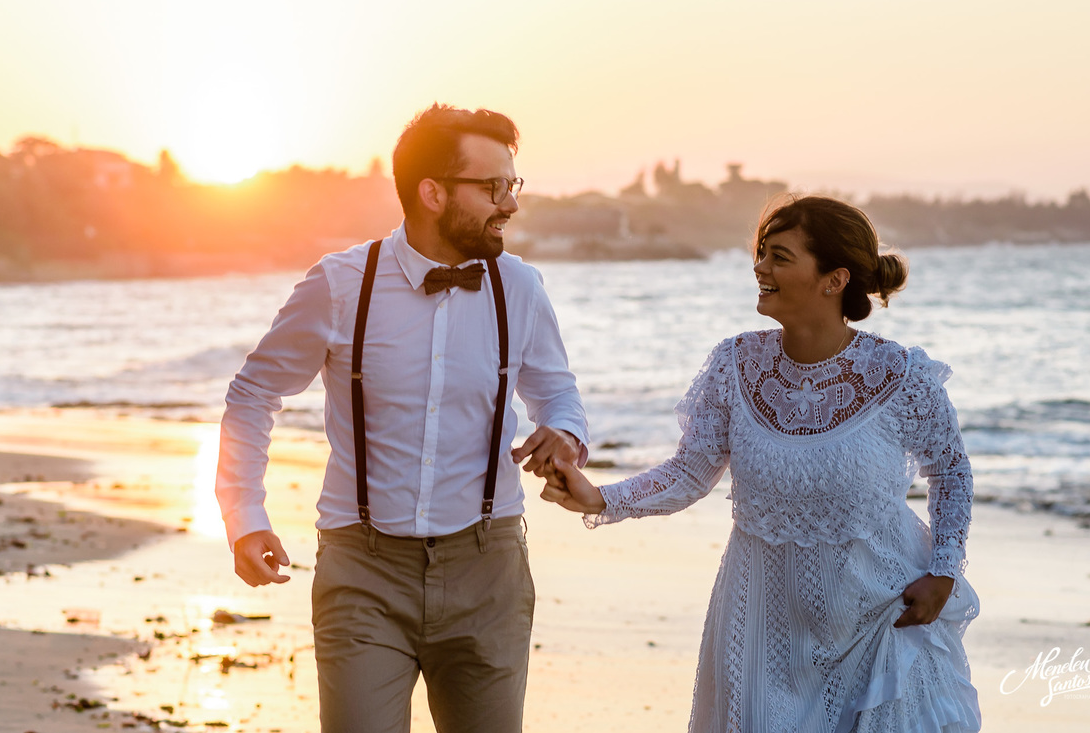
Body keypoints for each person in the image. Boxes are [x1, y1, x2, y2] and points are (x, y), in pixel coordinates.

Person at [539, 195, 981, 732]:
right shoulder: (735, 364)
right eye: (761, 254)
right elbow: (689, 472)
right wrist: (602, 497)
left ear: (833, 278)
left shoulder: (899, 374)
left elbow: (951, 472)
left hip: (881, 621)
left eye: (780, 256)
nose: (760, 268)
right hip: (759, 625)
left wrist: (944, 572)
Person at [216, 103, 589, 733]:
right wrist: (244, 518)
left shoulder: (519, 287)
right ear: (433, 192)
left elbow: (558, 393)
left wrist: (567, 434)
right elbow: (253, 395)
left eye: (512, 185)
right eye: (493, 187)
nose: (511, 205)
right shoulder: (339, 285)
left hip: (488, 569)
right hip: (363, 572)